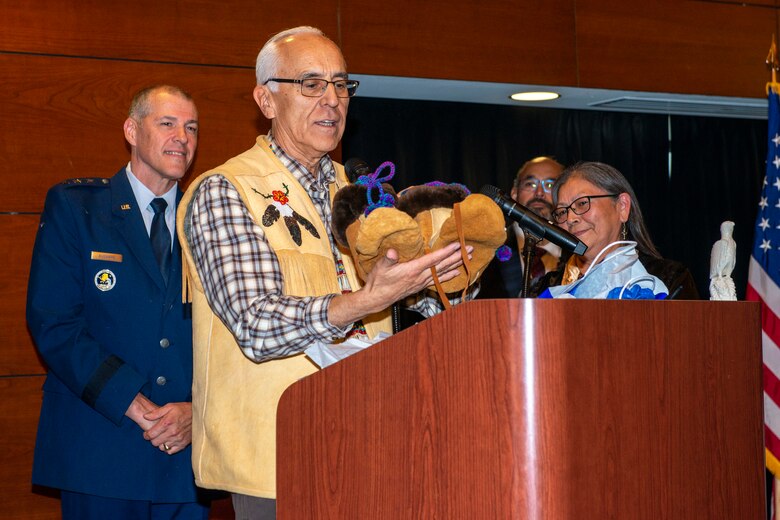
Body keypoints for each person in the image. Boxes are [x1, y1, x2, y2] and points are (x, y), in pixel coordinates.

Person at [176, 26, 467, 519]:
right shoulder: (225, 190)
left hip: (371, 441)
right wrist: (365, 301)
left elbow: (403, 310)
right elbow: (255, 323)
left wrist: (443, 279)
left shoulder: (363, 194)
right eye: (310, 84)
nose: (332, 100)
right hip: (276, 456)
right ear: (266, 100)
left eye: (341, 85)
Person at [26, 85, 208, 519]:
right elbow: (54, 323)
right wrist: (131, 399)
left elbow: (230, 332)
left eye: (192, 128)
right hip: (100, 448)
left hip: (185, 455)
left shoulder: (207, 219)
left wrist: (197, 410)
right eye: (167, 123)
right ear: (131, 129)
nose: (181, 137)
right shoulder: (79, 208)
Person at [537, 161, 698, 299]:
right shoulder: (545, 288)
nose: (571, 219)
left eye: (582, 203)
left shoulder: (670, 279)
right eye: (562, 211)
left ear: (622, 206)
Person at [478, 156, 565, 298]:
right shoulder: (487, 249)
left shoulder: (579, 255)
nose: (539, 193)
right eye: (530, 184)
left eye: (550, 185)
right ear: (514, 193)